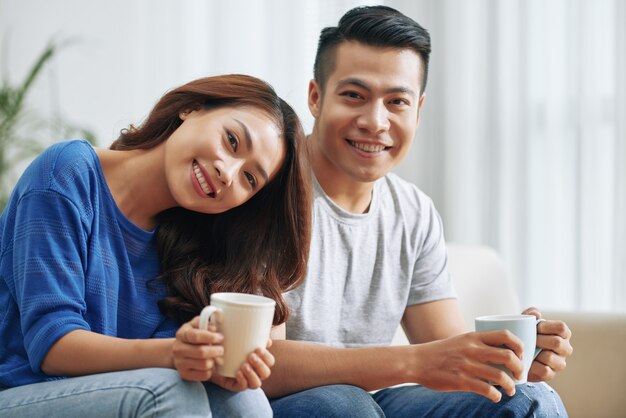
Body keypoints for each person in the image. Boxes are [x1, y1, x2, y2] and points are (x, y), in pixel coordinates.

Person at [264, 6, 573, 417]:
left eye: (397, 102)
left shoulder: (413, 211)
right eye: (354, 95)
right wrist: (413, 363)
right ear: (316, 97)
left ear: (418, 109)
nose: (376, 122)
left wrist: (509, 358)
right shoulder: (264, 187)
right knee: (345, 406)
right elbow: (262, 364)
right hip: (281, 404)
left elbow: (449, 349)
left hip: (372, 403)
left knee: (528, 400)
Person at [0, 74, 312, 417]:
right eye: (232, 141)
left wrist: (212, 361)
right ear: (191, 109)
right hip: (22, 393)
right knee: (170, 392)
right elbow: (52, 346)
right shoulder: (67, 173)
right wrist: (173, 353)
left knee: (244, 401)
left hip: (121, 397)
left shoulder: (190, 247)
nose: (229, 173)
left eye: (250, 179)